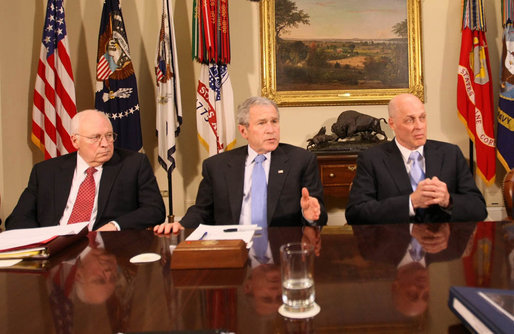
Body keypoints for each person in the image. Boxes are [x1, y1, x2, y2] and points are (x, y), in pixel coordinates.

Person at [154, 96, 327, 234]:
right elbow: (202, 210)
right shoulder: (217, 166)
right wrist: (181, 225)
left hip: (280, 247)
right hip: (232, 246)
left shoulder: (301, 160)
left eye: (274, 121)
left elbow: (319, 214)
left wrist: (310, 216)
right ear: (243, 131)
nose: (271, 129)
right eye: (262, 123)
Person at [6, 109, 165, 231]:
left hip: (104, 248)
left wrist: (115, 225)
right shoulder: (46, 172)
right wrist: (39, 242)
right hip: (54, 250)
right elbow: (18, 218)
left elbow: (154, 210)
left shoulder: (133, 164)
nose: (105, 144)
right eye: (95, 137)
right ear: (75, 141)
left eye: (109, 135)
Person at [345, 93, 487, 225]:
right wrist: (410, 203)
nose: (419, 126)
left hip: (442, 246)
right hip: (395, 246)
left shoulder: (450, 154)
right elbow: (356, 213)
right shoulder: (372, 159)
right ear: (392, 123)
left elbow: (479, 209)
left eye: (422, 117)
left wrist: (448, 201)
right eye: (410, 120)